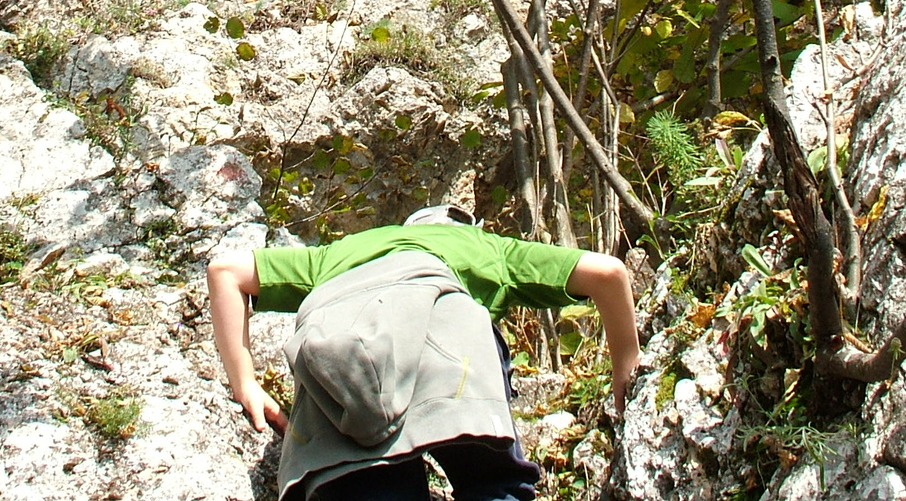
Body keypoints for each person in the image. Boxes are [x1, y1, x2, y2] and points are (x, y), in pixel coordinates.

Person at [207, 205, 641, 501]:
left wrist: (245, 383)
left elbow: (225, 270)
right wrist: (628, 375)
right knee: (493, 484)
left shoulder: (336, 254)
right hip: (450, 364)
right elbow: (608, 272)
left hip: (341, 380)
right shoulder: (484, 247)